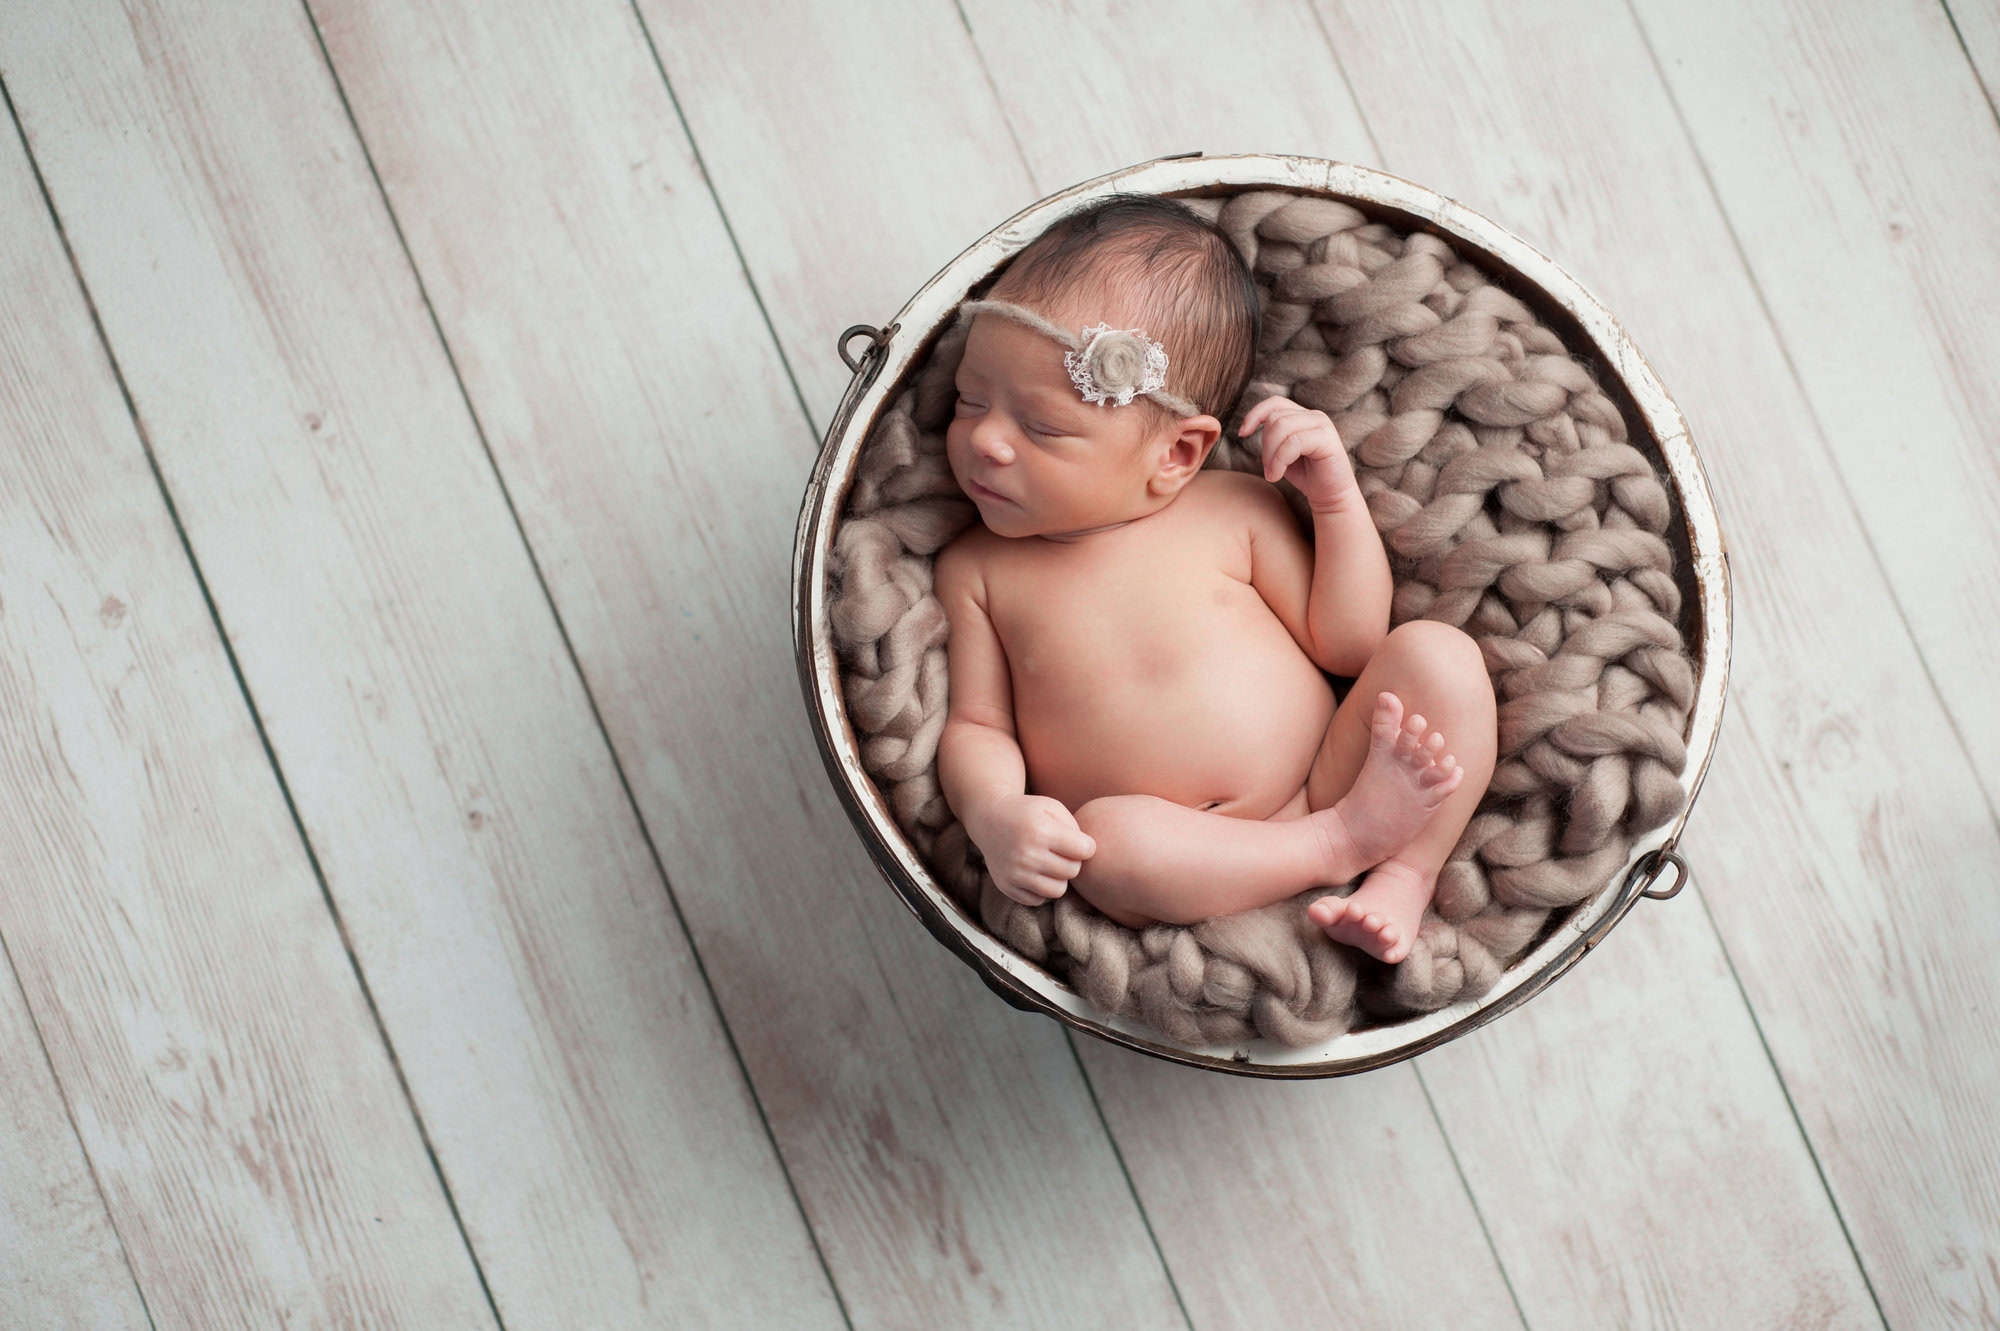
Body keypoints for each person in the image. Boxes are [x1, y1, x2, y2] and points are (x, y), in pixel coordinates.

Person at [933, 195, 1498, 965]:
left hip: (1329, 775)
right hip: (1179, 855)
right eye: (970, 400)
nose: (985, 441)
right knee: (1106, 843)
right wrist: (996, 813)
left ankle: (1403, 870)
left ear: (1176, 454)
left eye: (1041, 428)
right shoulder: (977, 569)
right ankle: (1339, 847)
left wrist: (1334, 500)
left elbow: (1351, 643)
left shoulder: (1232, 507)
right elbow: (978, 726)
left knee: (1439, 656)